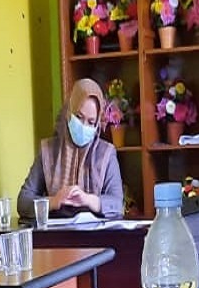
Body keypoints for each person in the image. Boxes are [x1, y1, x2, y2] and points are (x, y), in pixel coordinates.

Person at [18, 78, 124, 218]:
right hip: (57, 231)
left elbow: (117, 203)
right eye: (79, 117)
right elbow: (23, 201)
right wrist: (54, 201)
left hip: (94, 232)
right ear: (69, 113)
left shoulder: (106, 154)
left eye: (91, 122)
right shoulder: (48, 151)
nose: (84, 125)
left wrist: (88, 200)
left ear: (97, 123)